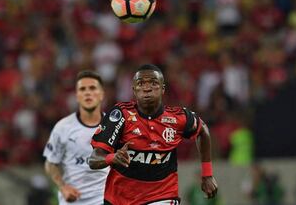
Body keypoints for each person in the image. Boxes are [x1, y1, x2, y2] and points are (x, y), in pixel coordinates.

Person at [89, 64, 218, 205]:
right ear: (134, 90)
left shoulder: (178, 118)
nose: (147, 88)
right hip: (119, 199)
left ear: (163, 89)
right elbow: (94, 159)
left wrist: (207, 174)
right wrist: (113, 158)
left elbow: (203, 131)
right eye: (140, 84)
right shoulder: (121, 115)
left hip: (162, 196)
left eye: (153, 83)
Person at [43, 70, 109, 205]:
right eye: (82, 89)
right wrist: (62, 187)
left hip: (104, 199)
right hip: (73, 201)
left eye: (92, 88)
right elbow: (50, 163)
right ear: (77, 96)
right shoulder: (63, 127)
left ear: (102, 94)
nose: (87, 93)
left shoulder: (114, 126)